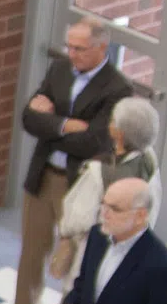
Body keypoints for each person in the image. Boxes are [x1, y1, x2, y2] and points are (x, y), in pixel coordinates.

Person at [10, 20, 134, 304]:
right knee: (32, 250)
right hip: (44, 175)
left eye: (79, 48)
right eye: (70, 46)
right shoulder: (59, 70)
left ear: (101, 48)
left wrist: (50, 124)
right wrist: (67, 125)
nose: (72, 54)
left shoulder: (118, 88)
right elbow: (28, 118)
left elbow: (95, 141)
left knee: (76, 261)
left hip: (78, 185)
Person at [43, 95, 160, 290]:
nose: (109, 123)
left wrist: (64, 232)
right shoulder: (149, 161)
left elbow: (78, 218)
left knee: (78, 300)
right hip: (131, 248)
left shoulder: (99, 171)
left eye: (113, 120)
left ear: (120, 133)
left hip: (94, 250)